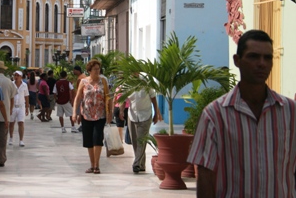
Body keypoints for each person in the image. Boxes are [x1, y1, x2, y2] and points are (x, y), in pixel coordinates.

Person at [188, 30, 296, 197]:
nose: (261, 63)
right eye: (253, 56)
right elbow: (205, 174)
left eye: (267, 58)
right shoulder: (215, 115)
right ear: (237, 61)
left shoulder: (290, 111)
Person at [72, 59, 112, 174]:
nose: (97, 71)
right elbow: (78, 98)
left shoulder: (103, 81)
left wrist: (110, 113)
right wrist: (75, 113)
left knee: (97, 139)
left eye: (98, 69)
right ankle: (92, 164)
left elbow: (108, 98)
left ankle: (97, 165)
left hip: (100, 115)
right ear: (89, 70)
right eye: (95, 69)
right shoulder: (83, 82)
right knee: (89, 141)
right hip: (86, 114)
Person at [126, 82, 162, 173]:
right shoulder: (127, 83)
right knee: (135, 141)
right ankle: (141, 165)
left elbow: (153, 98)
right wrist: (122, 110)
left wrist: (156, 114)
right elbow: (124, 98)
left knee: (141, 140)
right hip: (132, 115)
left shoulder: (146, 83)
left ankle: (136, 163)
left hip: (145, 115)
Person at [9, 70, 29, 147]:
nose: (16, 77)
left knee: (21, 122)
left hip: (21, 106)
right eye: (15, 75)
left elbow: (26, 96)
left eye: (18, 76)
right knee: (11, 123)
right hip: (13, 106)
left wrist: (27, 108)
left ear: (21, 77)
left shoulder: (24, 85)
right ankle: (11, 138)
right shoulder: (11, 84)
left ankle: (21, 140)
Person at [73, 65, 86, 131]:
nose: (73, 72)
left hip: (81, 97)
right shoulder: (83, 76)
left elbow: (79, 90)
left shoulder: (81, 78)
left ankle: (82, 125)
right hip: (83, 96)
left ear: (78, 71)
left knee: (81, 112)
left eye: (74, 70)